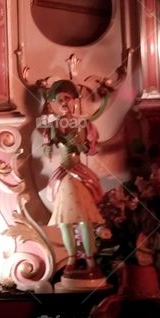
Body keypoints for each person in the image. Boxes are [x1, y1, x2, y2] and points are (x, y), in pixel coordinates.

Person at [41, 80, 107, 278]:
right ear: (54, 103)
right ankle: (71, 258)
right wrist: (51, 142)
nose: (64, 103)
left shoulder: (83, 124)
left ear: (74, 101)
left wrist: (79, 145)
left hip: (77, 172)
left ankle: (90, 260)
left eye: (67, 99)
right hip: (64, 174)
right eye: (59, 99)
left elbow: (92, 150)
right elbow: (47, 150)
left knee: (84, 220)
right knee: (64, 221)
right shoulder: (52, 126)